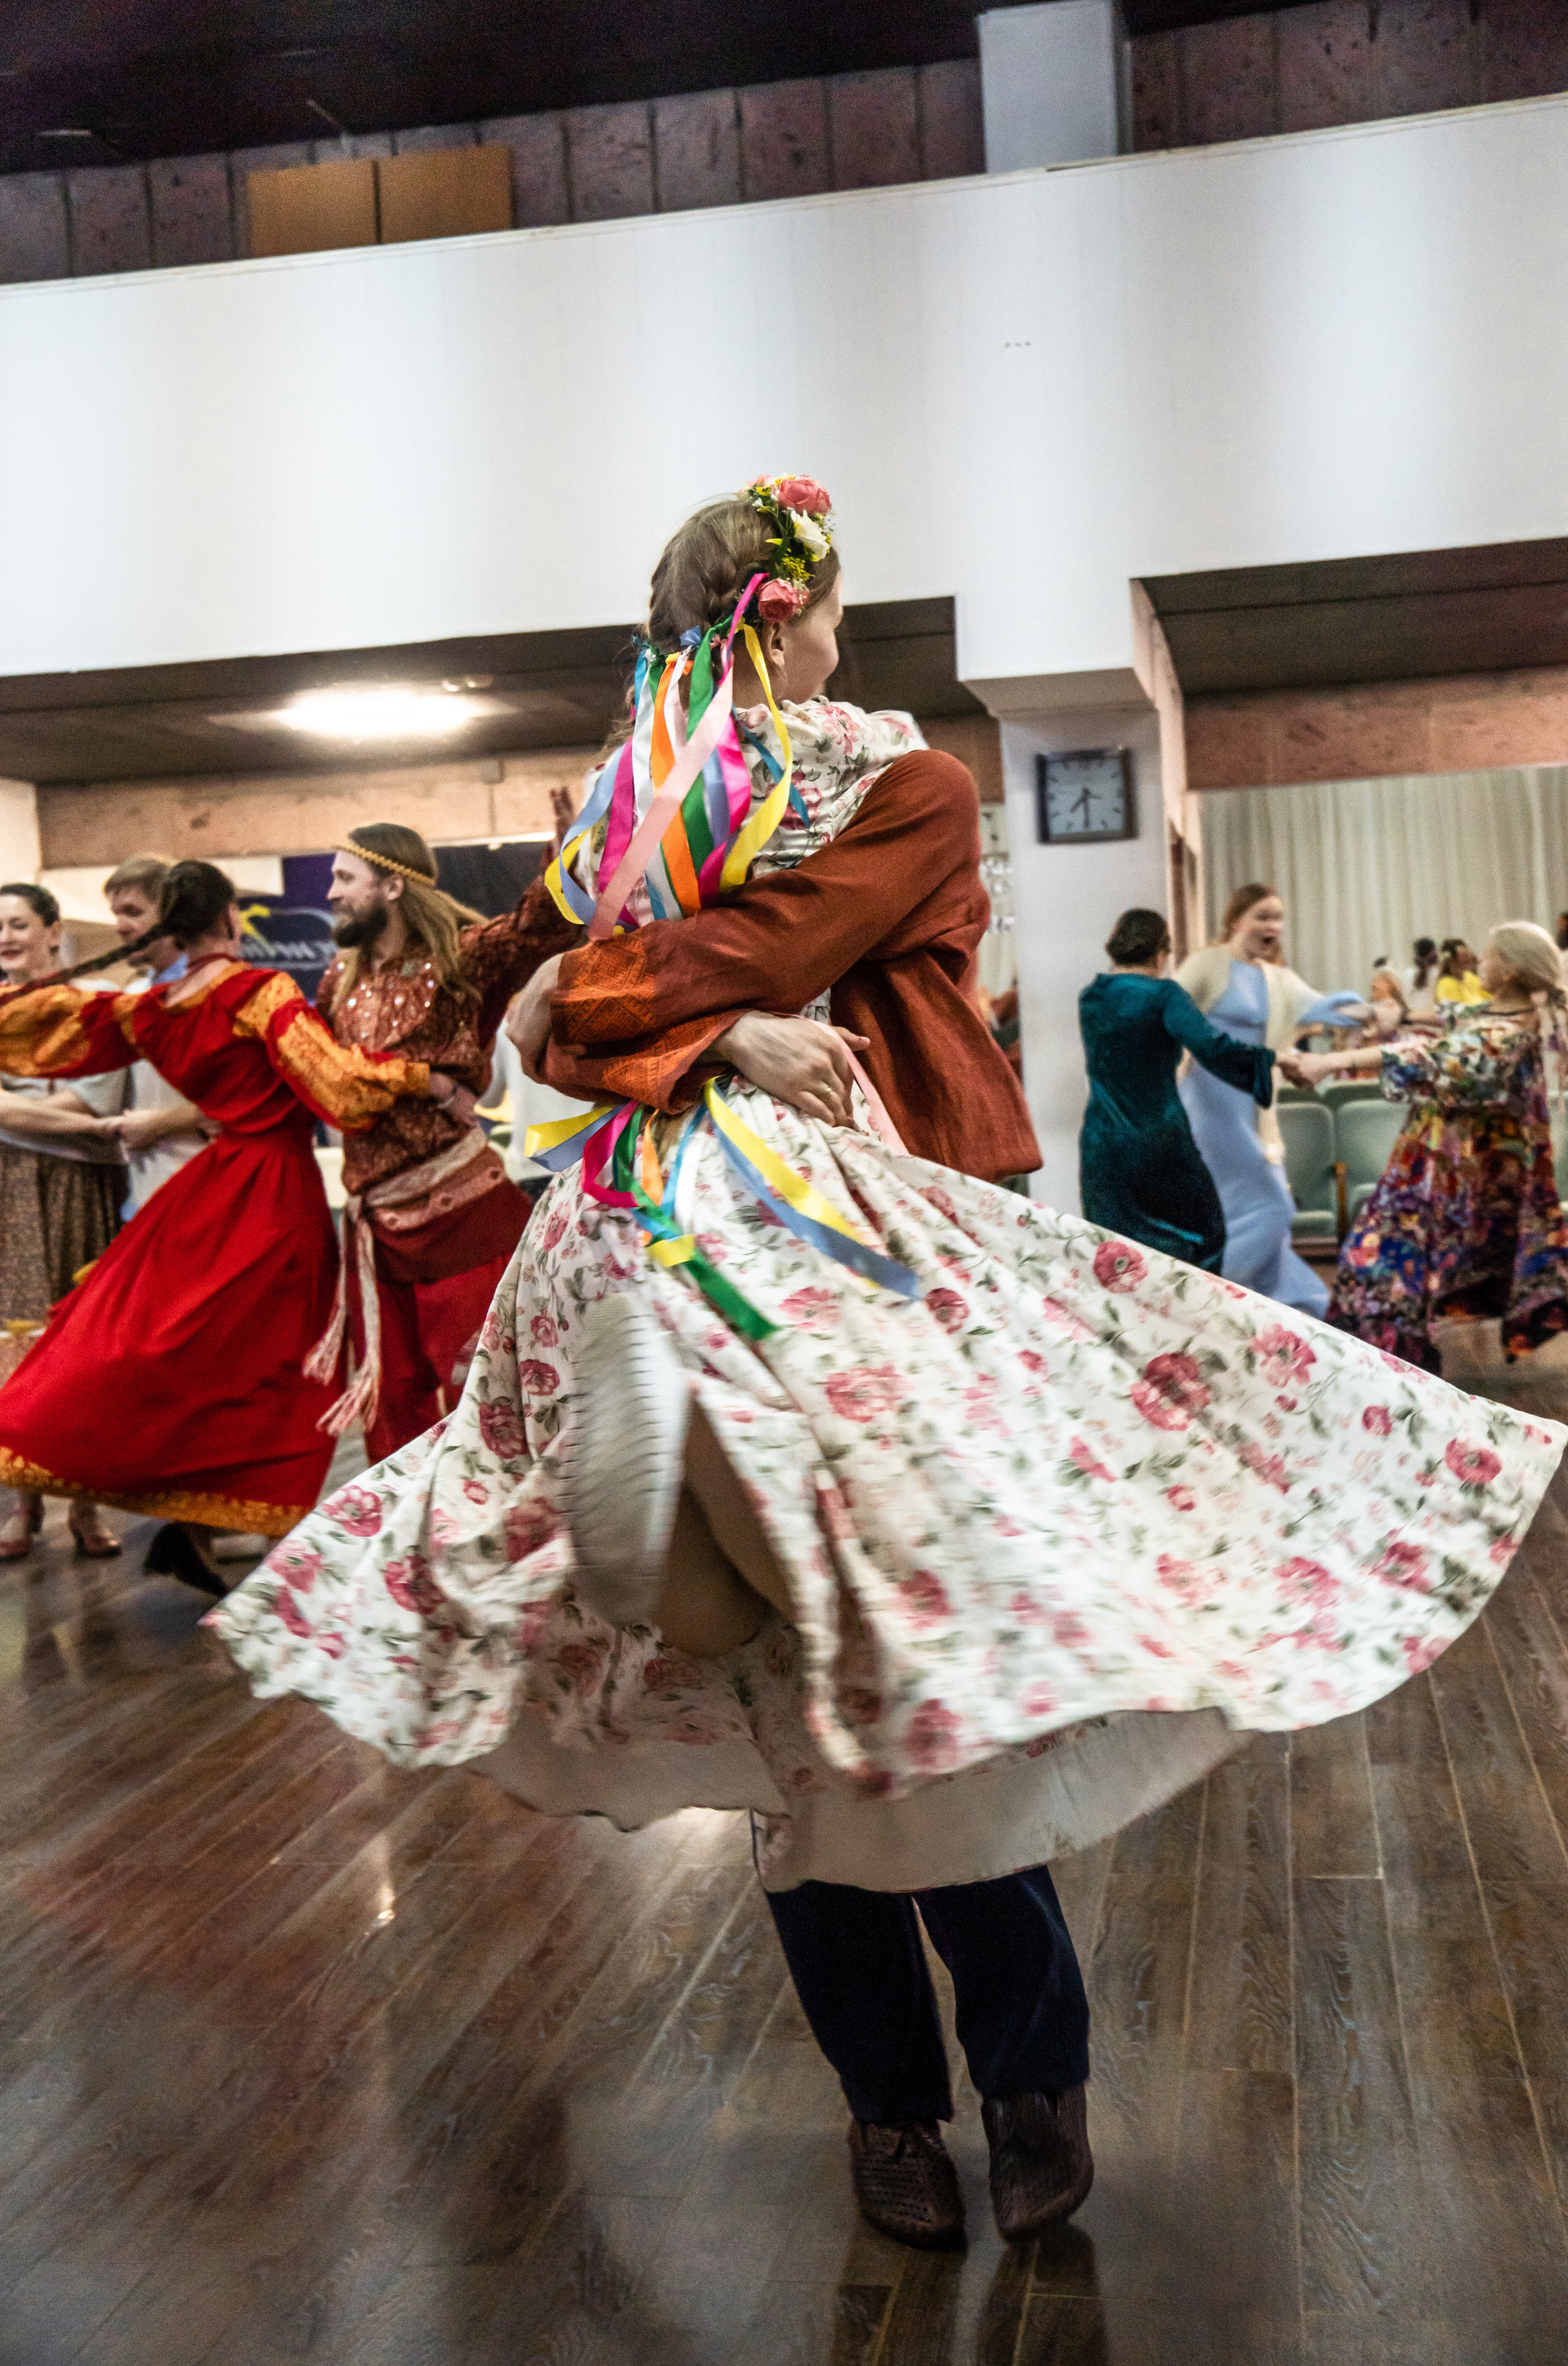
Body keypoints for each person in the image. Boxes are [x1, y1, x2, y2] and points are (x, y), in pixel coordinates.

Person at [213, 479, 1564, 2254]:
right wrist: (616, 1008)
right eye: (837, 611)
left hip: (871, 1241)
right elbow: (524, 993)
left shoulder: (878, 796)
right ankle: (892, 2106)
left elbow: (676, 970)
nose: (845, 640)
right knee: (803, 1705)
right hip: (769, 1250)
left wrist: (626, 1010)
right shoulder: (667, 806)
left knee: (916, 1670)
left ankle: (1024, 2073)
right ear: (795, 614)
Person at [0, 860, 468, 1592]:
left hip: (207, 1191)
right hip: (269, 1193)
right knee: (264, 1367)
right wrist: (421, 1079)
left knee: (191, 1353)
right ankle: (225, 1528)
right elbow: (336, 1082)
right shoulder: (256, 991)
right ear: (228, 919)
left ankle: (194, 1529)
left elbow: (41, 1027)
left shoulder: (156, 1006)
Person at [314, 825, 577, 1463]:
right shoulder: (335, 984)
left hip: (462, 1215)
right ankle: (410, 1546)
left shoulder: (461, 959)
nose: (331, 893)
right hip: (376, 1224)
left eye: (345, 878)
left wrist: (572, 856)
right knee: (395, 1403)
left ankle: (505, 1533)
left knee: (487, 1390)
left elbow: (534, 933)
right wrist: (421, 1082)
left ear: (392, 886)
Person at [1302, 922, 1568, 1372]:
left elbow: (1430, 1057)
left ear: (1506, 972)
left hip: (1440, 1188)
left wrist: (1333, 1060)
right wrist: (1384, 1013)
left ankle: (1391, 1373)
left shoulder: (1505, 1038)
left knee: (1376, 1267)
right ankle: (1391, 1369)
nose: (1478, 962)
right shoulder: (1498, 1016)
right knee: (1382, 1267)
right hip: (1432, 1176)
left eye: (1487, 956)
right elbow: (1452, 1014)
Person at [0, 882, 126, 1563]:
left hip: (83, 1184)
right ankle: (24, 1504)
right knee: (15, 1344)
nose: (6, 938)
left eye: (18, 924)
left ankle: (87, 1505)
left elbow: (93, 1095)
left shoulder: (92, 1005)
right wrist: (88, 1122)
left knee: (80, 1342)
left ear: (52, 930)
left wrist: (23, 1113)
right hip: (7, 1188)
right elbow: (0, 1111)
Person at [1174, 885, 1377, 1315]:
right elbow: (1168, 1011)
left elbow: (1328, 1008)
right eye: (1263, 916)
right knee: (1273, 1206)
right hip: (1207, 1106)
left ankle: (1263, 1306)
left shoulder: (1277, 979)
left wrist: (1382, 1013)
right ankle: (1204, 1298)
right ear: (1236, 921)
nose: (1273, 926)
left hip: (1251, 1108)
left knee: (1246, 1209)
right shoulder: (1207, 964)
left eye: (1278, 918)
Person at [1078, 908, 1282, 1270]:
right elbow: (1210, 1047)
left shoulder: (1091, 996)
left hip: (1102, 1143)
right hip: (1158, 1137)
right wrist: (1265, 1061)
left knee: (1116, 1252)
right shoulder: (1164, 995)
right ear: (1162, 953)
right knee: (1203, 1236)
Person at [100, 855, 215, 1212]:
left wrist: (163, 1123)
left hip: (205, 1194)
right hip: (147, 1194)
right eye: (116, 914)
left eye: (133, 913)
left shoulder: (213, 992)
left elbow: (244, 1106)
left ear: (173, 917)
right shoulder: (135, 997)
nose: (120, 927)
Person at [1436, 937, 1489, 1007]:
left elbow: (1491, 1000)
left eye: (1469, 953)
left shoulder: (1470, 977)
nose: (1470, 957)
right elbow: (1453, 1011)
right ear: (1451, 960)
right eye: (1464, 955)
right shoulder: (1446, 983)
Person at [1404, 936, 1440, 1015]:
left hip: (1413, 1016)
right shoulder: (1438, 973)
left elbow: (1406, 999)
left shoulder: (1408, 973)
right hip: (1432, 1016)